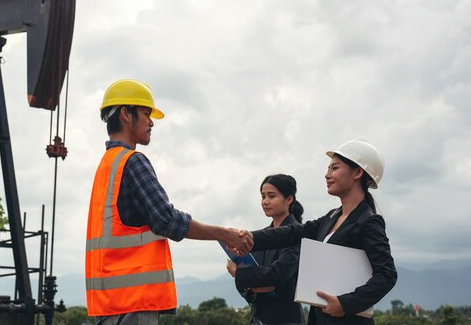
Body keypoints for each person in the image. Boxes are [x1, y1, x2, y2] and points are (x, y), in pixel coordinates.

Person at [85, 79, 253, 325]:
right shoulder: (132, 162)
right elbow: (166, 220)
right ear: (125, 114)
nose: (151, 122)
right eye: (146, 113)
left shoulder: (106, 166)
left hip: (109, 305)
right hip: (133, 303)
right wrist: (224, 234)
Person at [244, 139, 397, 325]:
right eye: (328, 169)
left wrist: (346, 303)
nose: (327, 175)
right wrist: (247, 238)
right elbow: (290, 233)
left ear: (357, 172)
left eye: (335, 168)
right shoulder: (331, 217)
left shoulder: (369, 221)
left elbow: (387, 274)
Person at [227, 174, 305, 325]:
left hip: (285, 319)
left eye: (272, 196)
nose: (265, 201)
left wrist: (239, 273)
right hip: (258, 318)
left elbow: (277, 275)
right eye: (263, 196)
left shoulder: (298, 234)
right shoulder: (261, 237)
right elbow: (253, 281)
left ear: (289, 199)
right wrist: (253, 285)